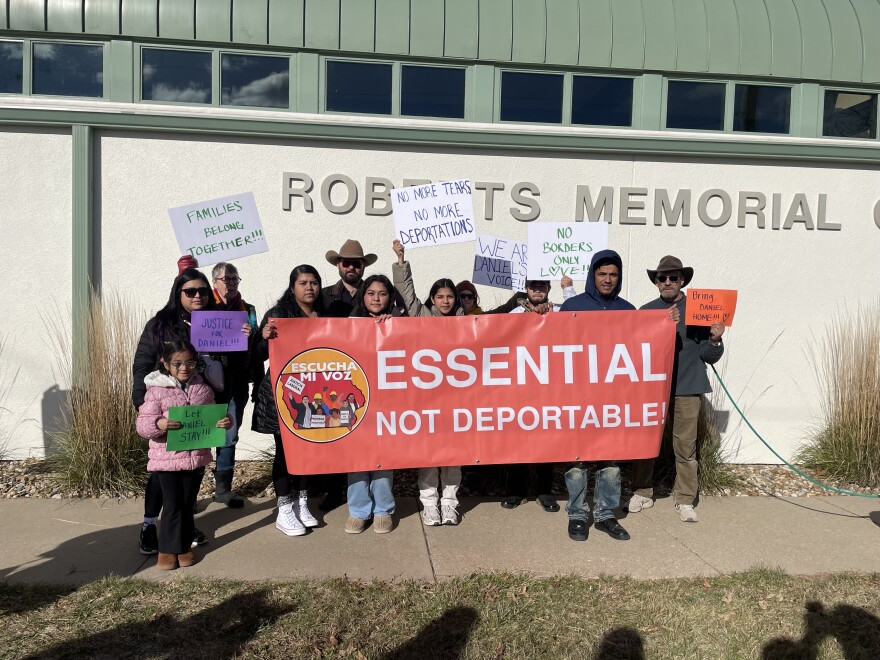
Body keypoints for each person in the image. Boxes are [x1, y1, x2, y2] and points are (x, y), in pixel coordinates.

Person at [132, 268, 231, 555]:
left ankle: (184, 526)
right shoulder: (160, 324)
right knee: (163, 473)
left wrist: (245, 334)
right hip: (166, 406)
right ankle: (150, 524)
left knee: (193, 468)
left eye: (202, 291)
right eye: (190, 291)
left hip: (203, 406)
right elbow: (142, 364)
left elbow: (232, 361)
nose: (198, 295)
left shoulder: (219, 321)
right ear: (179, 294)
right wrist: (142, 402)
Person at [629, 256, 725, 523]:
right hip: (652, 388)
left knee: (685, 446)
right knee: (646, 441)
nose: (668, 282)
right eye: (662, 278)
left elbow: (708, 354)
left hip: (688, 386)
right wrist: (661, 324)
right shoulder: (646, 310)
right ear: (656, 282)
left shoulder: (699, 309)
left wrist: (715, 340)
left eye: (673, 277)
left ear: (682, 280)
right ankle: (642, 491)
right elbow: (635, 350)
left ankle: (684, 498)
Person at [558, 250, 635, 543]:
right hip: (578, 398)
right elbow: (555, 349)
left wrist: (665, 322)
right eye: (602, 274)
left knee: (611, 463)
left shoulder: (628, 311)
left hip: (614, 400)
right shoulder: (573, 306)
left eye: (613, 274)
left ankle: (605, 515)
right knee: (577, 462)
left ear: (619, 277)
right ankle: (578, 514)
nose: (607, 279)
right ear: (592, 275)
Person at [135, 339, 231, 570]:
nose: (184, 368)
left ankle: (185, 545)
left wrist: (226, 422)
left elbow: (213, 417)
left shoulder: (204, 389)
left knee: (188, 503)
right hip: (166, 460)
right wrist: (161, 423)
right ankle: (168, 549)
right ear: (165, 364)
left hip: (195, 458)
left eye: (189, 362)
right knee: (172, 504)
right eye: (177, 363)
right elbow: (143, 425)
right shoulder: (156, 391)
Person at [392, 239, 466, 526]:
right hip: (428, 400)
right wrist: (401, 262)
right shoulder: (421, 317)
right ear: (432, 299)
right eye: (440, 297)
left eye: (450, 297)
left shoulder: (470, 324)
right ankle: (429, 504)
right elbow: (406, 295)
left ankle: (449, 503)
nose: (445, 301)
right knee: (429, 455)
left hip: (459, 401)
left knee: (454, 457)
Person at [252, 265, 323, 537]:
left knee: (307, 450)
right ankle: (283, 509)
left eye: (314, 282)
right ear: (292, 286)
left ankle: (301, 502)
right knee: (285, 451)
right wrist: (263, 338)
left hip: (314, 396)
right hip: (284, 395)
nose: (309, 287)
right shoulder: (279, 315)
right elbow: (256, 354)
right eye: (303, 282)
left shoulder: (323, 316)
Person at [501, 277, 576, 512]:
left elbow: (580, 313)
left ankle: (544, 491)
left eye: (542, 286)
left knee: (546, 441)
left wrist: (568, 288)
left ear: (548, 289)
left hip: (549, 387)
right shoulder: (514, 313)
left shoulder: (561, 311)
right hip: (519, 387)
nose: (537, 290)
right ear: (525, 289)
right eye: (533, 286)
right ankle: (516, 491)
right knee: (516, 440)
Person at [344, 274, 404, 534]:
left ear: (389, 297)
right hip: (356, 401)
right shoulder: (348, 324)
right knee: (357, 459)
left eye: (382, 293)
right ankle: (358, 510)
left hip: (388, 402)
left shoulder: (399, 324)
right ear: (363, 296)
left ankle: (383, 509)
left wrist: (395, 326)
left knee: (383, 458)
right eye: (371, 293)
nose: (376, 298)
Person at [210, 261, 261, 508]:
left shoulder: (248, 311)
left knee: (229, 433)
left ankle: (223, 489)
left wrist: (251, 335)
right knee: (199, 433)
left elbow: (259, 349)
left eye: (234, 279)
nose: (230, 283)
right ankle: (188, 489)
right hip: (205, 382)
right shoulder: (202, 307)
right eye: (226, 278)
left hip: (237, 381)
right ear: (214, 282)